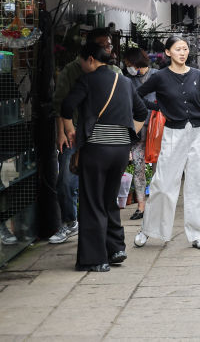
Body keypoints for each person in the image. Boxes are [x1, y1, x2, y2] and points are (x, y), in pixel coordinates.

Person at [59, 41, 148, 271]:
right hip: (120, 151)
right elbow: (141, 112)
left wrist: (69, 129)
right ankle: (116, 248)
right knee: (109, 199)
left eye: (82, 62)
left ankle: (96, 259)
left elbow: (66, 105)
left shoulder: (87, 80)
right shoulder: (125, 82)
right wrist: (127, 135)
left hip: (96, 148)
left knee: (91, 202)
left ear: (90, 59)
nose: (81, 66)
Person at [134, 36, 200, 250]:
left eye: (185, 49)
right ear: (168, 52)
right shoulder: (159, 77)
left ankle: (199, 234)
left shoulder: (198, 75)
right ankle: (148, 229)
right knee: (163, 184)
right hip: (173, 132)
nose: (183, 52)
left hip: (199, 133)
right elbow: (136, 95)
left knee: (198, 184)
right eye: (178, 49)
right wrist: (158, 108)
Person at [51, 28, 121, 244]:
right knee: (66, 180)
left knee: (102, 185)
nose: (108, 49)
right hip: (75, 134)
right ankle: (71, 222)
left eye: (109, 45)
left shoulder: (115, 71)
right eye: (104, 45)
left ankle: (102, 229)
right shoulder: (73, 70)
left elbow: (126, 106)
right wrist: (61, 132)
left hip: (103, 134)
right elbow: (61, 104)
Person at [122, 48, 155, 221]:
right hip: (137, 128)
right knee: (138, 166)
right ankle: (141, 206)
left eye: (129, 64)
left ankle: (157, 205)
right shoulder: (128, 80)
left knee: (158, 166)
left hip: (156, 128)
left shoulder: (157, 75)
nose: (128, 67)